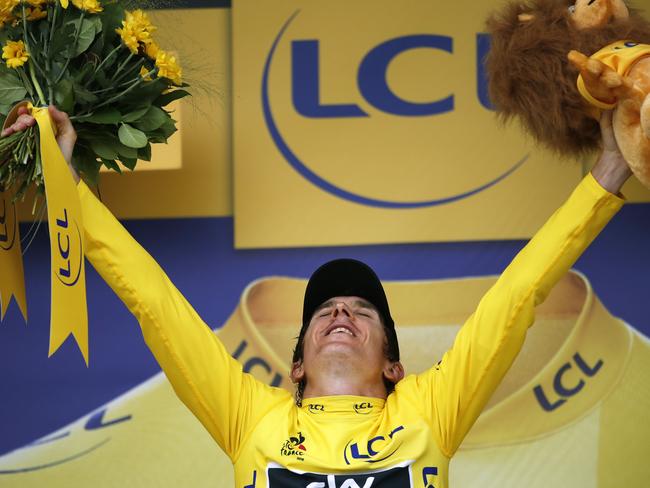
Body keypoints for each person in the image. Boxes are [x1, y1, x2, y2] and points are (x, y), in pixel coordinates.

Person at [2, 106, 631, 487]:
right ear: (294, 364)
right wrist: (69, 186)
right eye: (325, 310)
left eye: (362, 312)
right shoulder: (252, 416)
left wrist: (606, 174)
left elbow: (517, 299)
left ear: (394, 365)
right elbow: (154, 302)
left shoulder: (427, 411)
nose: (339, 313)